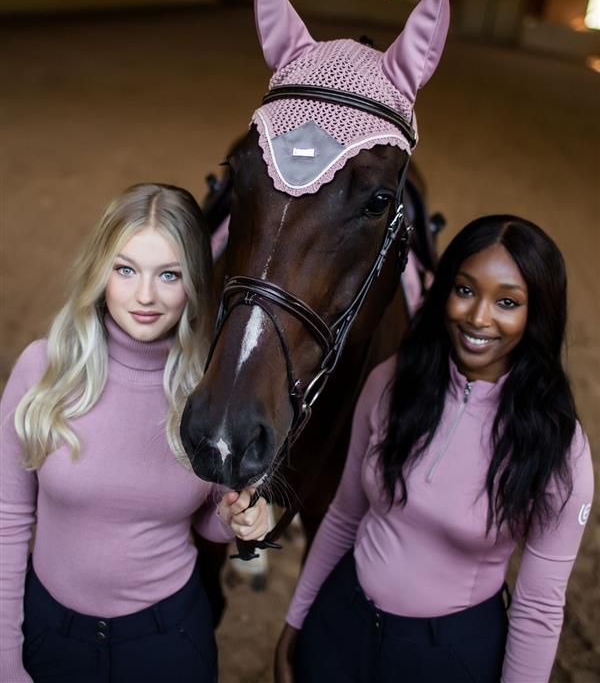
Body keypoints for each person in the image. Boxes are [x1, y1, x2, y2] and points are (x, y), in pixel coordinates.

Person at [275, 214, 594, 683]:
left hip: (447, 657)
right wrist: (296, 623)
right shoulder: (392, 382)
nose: (478, 317)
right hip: (340, 626)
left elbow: (539, 606)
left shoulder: (560, 448)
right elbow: (344, 516)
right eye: (465, 290)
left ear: (536, 313)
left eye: (507, 301)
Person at [0, 183, 269, 683]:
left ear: (193, 281)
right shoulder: (45, 369)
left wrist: (240, 516)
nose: (145, 296)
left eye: (169, 275)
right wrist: (4, 658)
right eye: (126, 270)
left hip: (167, 641)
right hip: (48, 635)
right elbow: (7, 519)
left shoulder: (210, 390)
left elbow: (210, 525)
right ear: (100, 270)